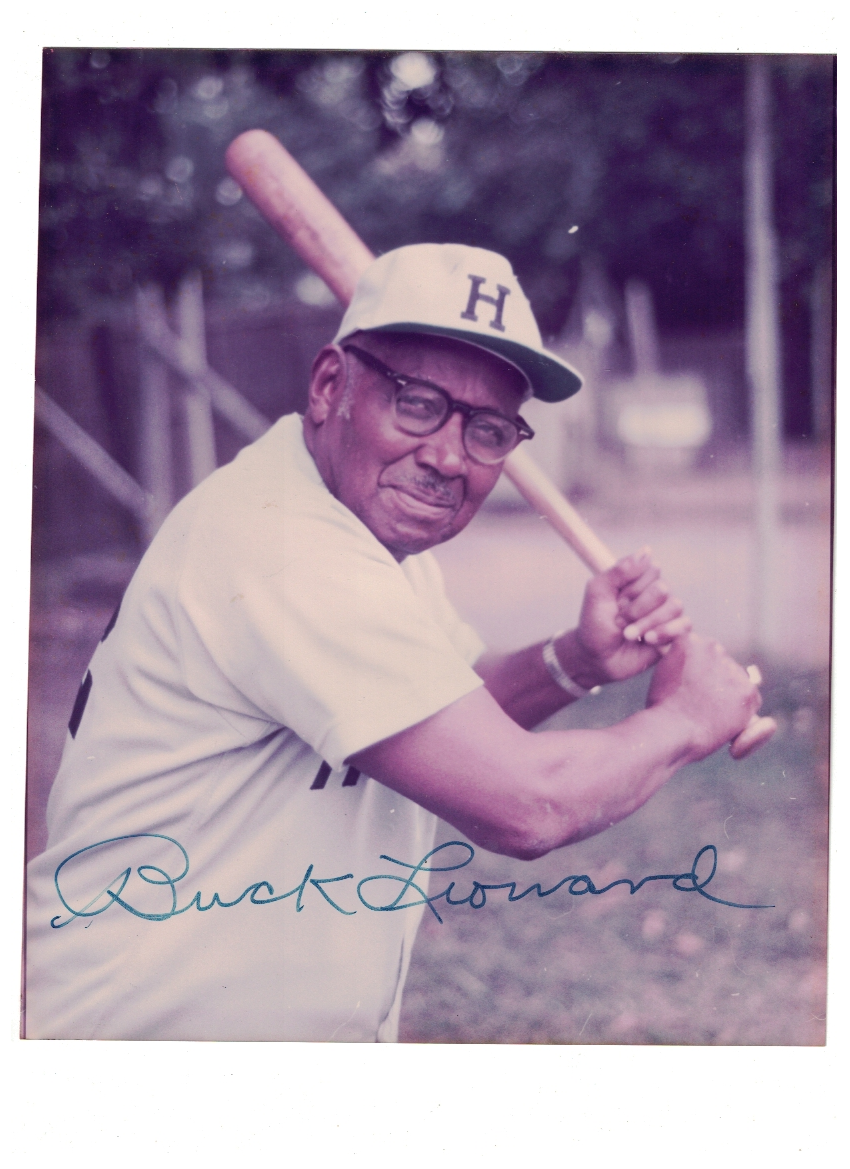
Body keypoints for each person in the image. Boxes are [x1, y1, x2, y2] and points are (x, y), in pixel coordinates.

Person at [25, 244, 760, 1042]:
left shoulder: (352, 530)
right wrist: (688, 719)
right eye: (416, 402)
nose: (447, 456)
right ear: (330, 385)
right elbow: (527, 803)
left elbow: (448, 709)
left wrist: (573, 662)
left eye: (487, 429)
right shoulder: (287, 548)